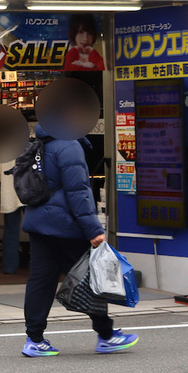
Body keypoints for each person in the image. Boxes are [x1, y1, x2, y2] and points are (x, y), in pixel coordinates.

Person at [21, 124, 138, 356]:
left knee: (40, 282)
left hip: (38, 223)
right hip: (65, 226)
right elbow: (78, 191)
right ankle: (106, 335)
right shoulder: (69, 145)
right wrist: (94, 229)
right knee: (89, 278)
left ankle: (34, 339)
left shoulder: (39, 144)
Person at [0, 158, 23, 274]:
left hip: (10, 191)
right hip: (31, 189)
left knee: (10, 230)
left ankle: (9, 267)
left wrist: (6, 181)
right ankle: (38, 267)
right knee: (36, 230)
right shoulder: (35, 140)